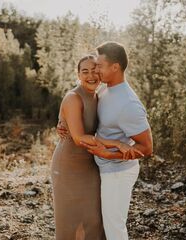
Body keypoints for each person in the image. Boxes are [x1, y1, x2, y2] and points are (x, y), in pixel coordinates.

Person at [58, 42, 153, 240]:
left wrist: (111, 153)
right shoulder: (103, 90)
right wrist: (63, 123)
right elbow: (82, 115)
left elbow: (147, 147)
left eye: (99, 66)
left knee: (114, 228)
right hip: (98, 167)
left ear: (115, 67)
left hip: (117, 172)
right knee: (97, 224)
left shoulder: (128, 104)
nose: (96, 71)